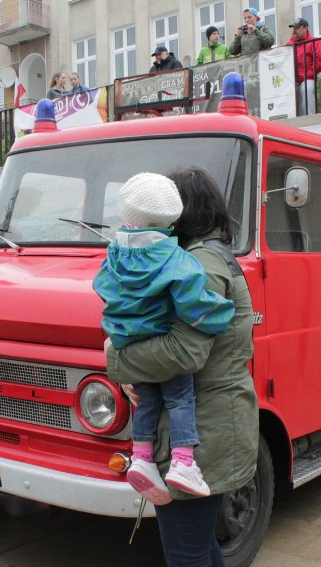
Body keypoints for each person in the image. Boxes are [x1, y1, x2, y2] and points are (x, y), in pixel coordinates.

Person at [105, 166, 258, 566]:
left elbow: (183, 352)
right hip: (207, 425)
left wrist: (115, 356)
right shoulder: (201, 257)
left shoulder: (199, 265)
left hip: (201, 434)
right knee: (200, 547)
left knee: (185, 553)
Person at [94, 173, 235, 504]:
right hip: (161, 338)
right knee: (180, 399)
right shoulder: (176, 259)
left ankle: (141, 456)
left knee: (147, 401)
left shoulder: (113, 253)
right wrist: (220, 314)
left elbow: (102, 287)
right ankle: (183, 462)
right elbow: (193, 304)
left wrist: (117, 330)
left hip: (128, 340)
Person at [287, 18, 321, 116]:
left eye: (297, 28)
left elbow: (320, 62)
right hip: (293, 80)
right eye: (293, 28)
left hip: (307, 78)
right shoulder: (290, 44)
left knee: (306, 89)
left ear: (305, 28)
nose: (294, 30)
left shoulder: (315, 41)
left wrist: (307, 75)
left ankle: (310, 117)